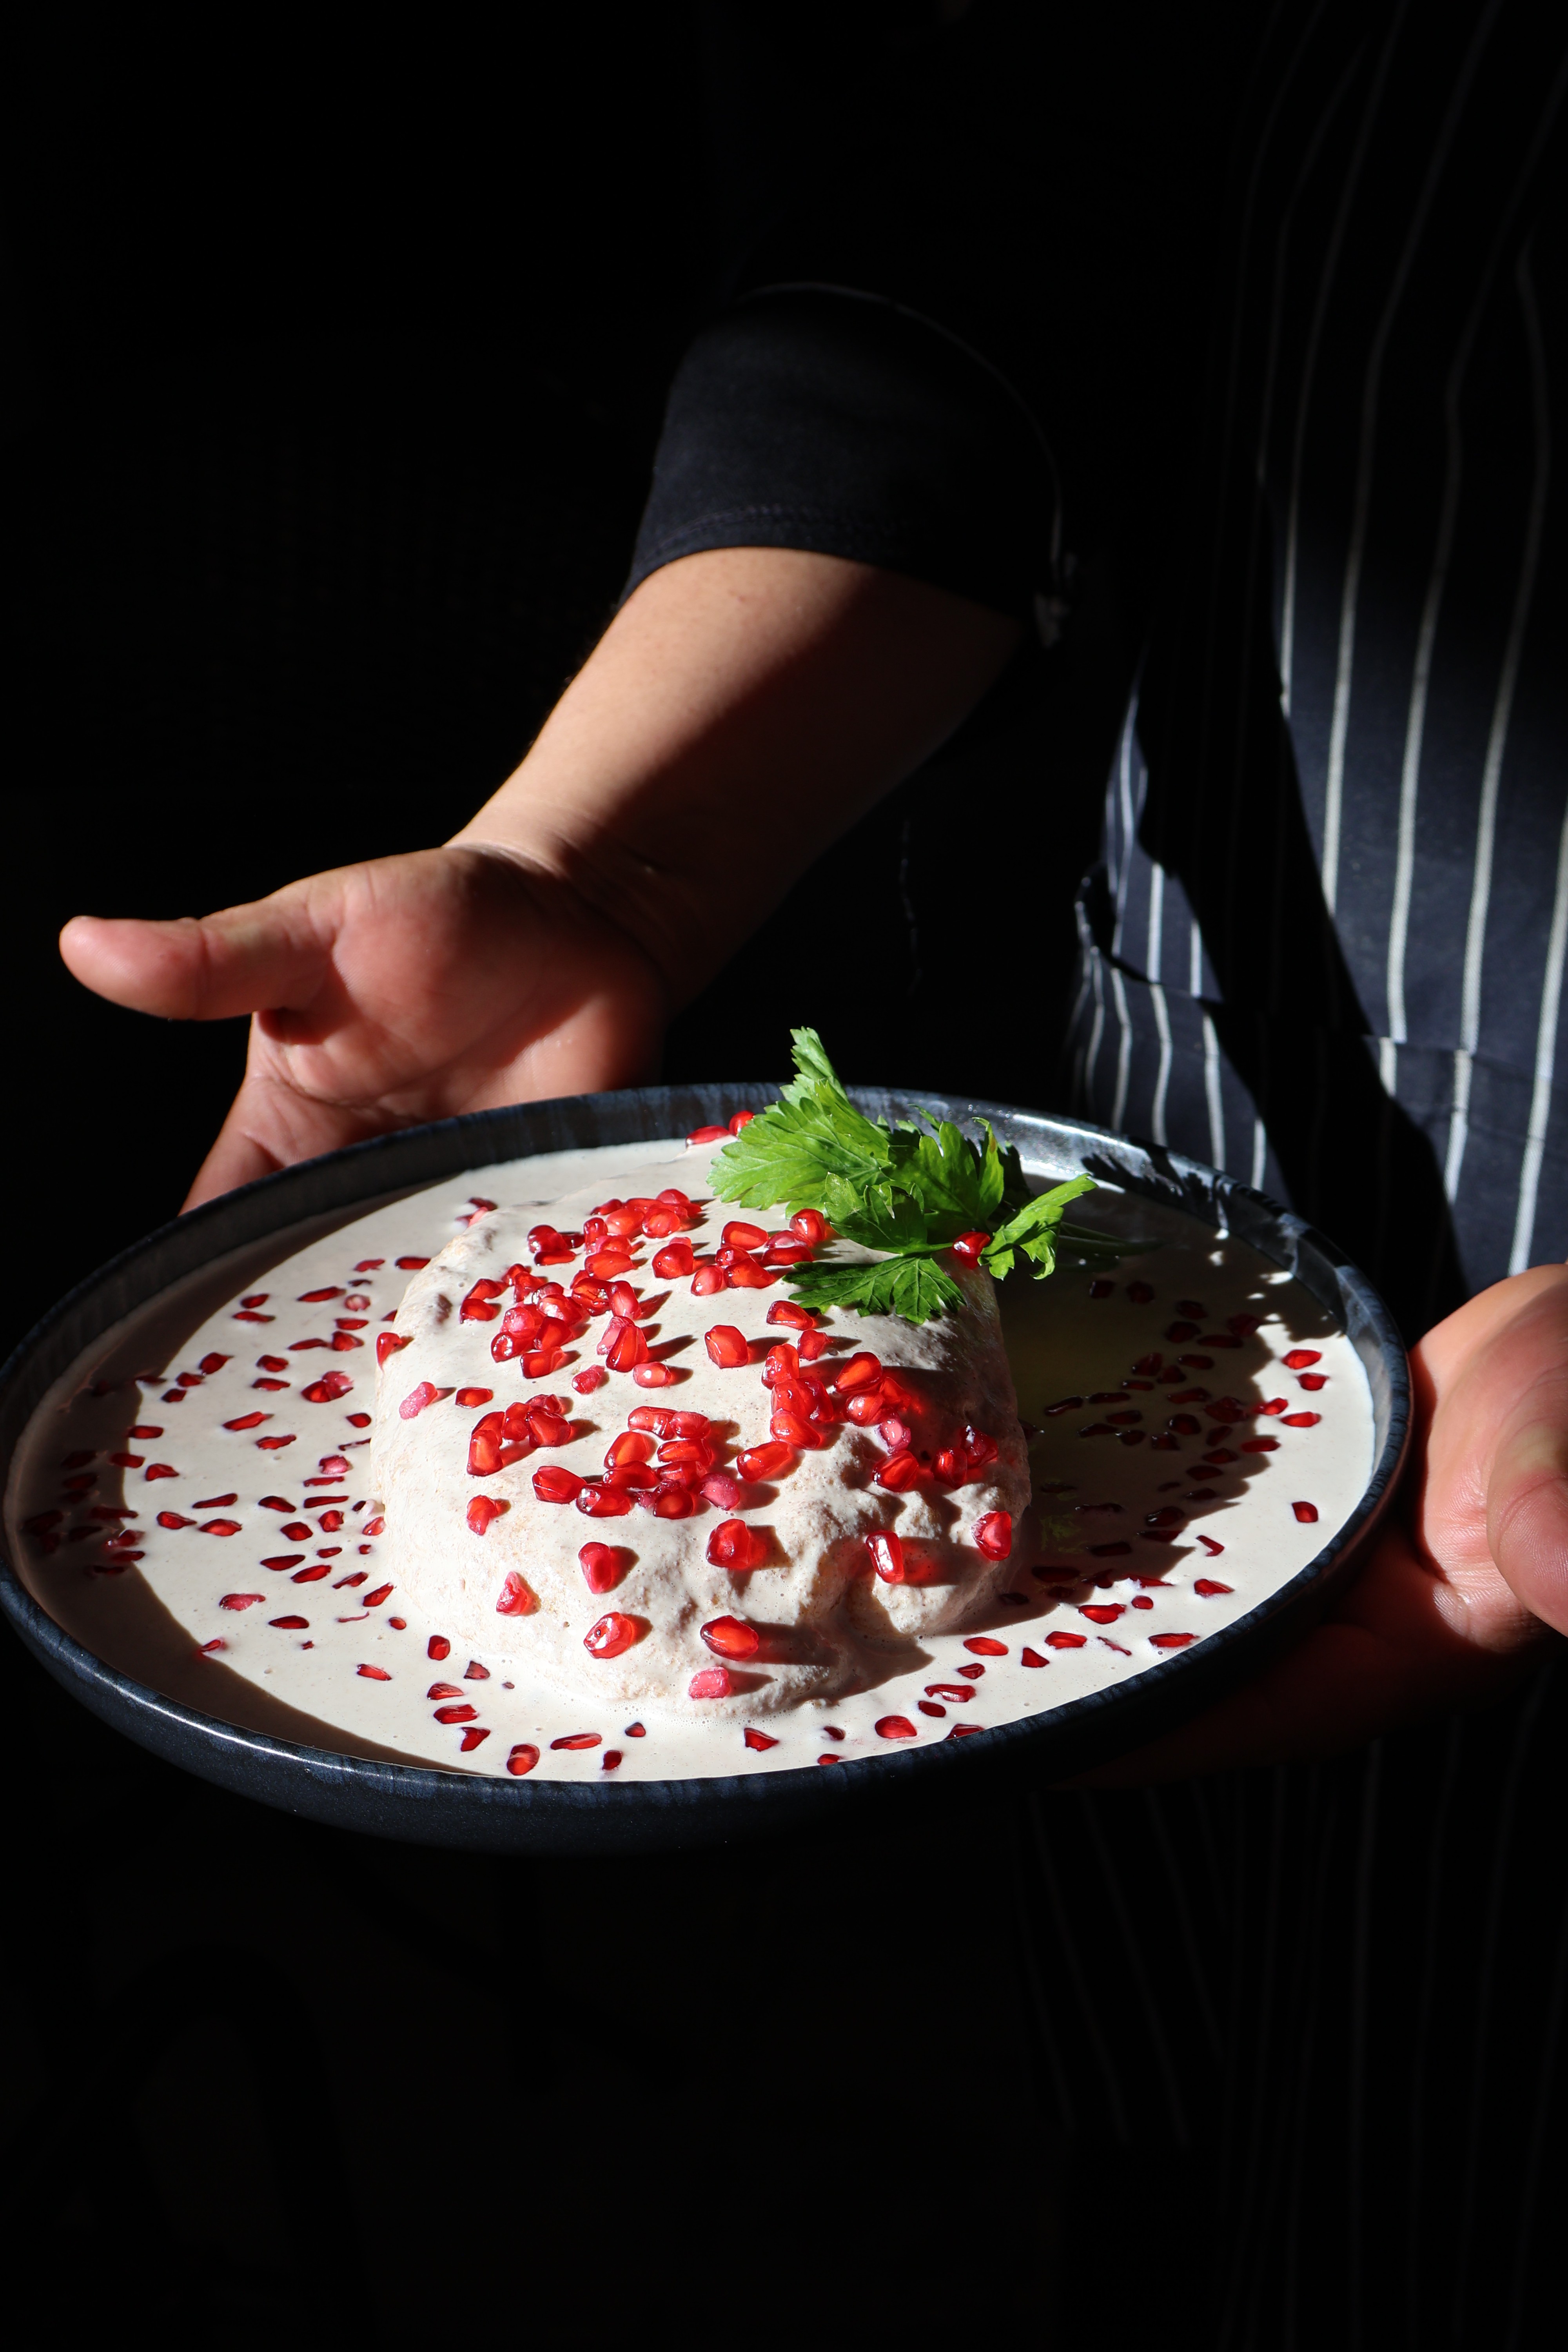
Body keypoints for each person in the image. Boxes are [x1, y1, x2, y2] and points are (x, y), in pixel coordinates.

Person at [52, 2, 1568, 2335]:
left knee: (1463, 2130)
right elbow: (1018, 207)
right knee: (1185, 2081)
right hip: (1210, 1147)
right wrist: (601, 862)